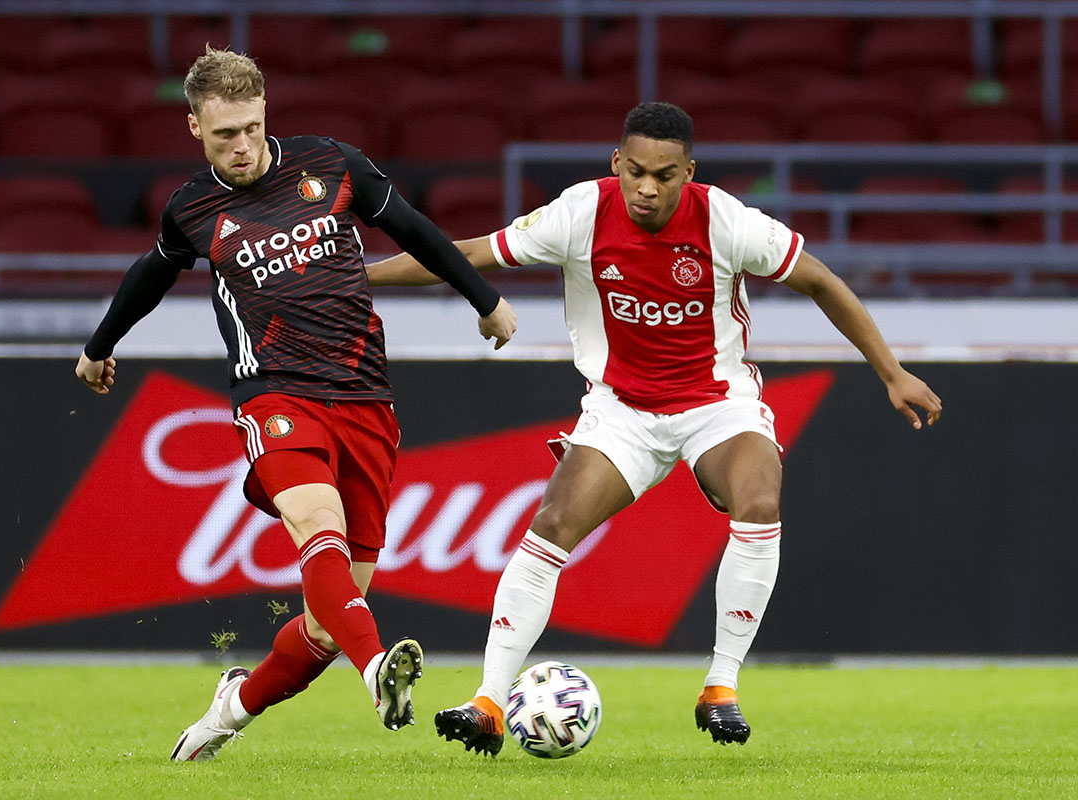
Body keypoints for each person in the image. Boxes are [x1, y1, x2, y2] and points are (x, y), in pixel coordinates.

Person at [366, 101, 942, 756]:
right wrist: (362, 277)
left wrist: (891, 372)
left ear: (688, 173)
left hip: (717, 405)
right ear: (617, 162)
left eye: (664, 176)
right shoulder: (580, 213)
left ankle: (720, 686)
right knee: (552, 525)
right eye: (635, 171)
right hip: (622, 412)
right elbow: (469, 253)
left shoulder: (726, 221)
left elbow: (820, 280)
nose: (646, 188)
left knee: (758, 501)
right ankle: (490, 702)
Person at [74, 47, 518, 762]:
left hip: (365, 398)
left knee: (322, 628)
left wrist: (486, 299)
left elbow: (415, 230)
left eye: (251, 128)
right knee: (316, 523)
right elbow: (149, 276)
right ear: (195, 128)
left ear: (265, 114)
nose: (242, 146)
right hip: (274, 393)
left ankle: (231, 708)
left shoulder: (332, 163)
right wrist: (99, 347)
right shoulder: (192, 209)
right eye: (225, 134)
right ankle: (377, 671)